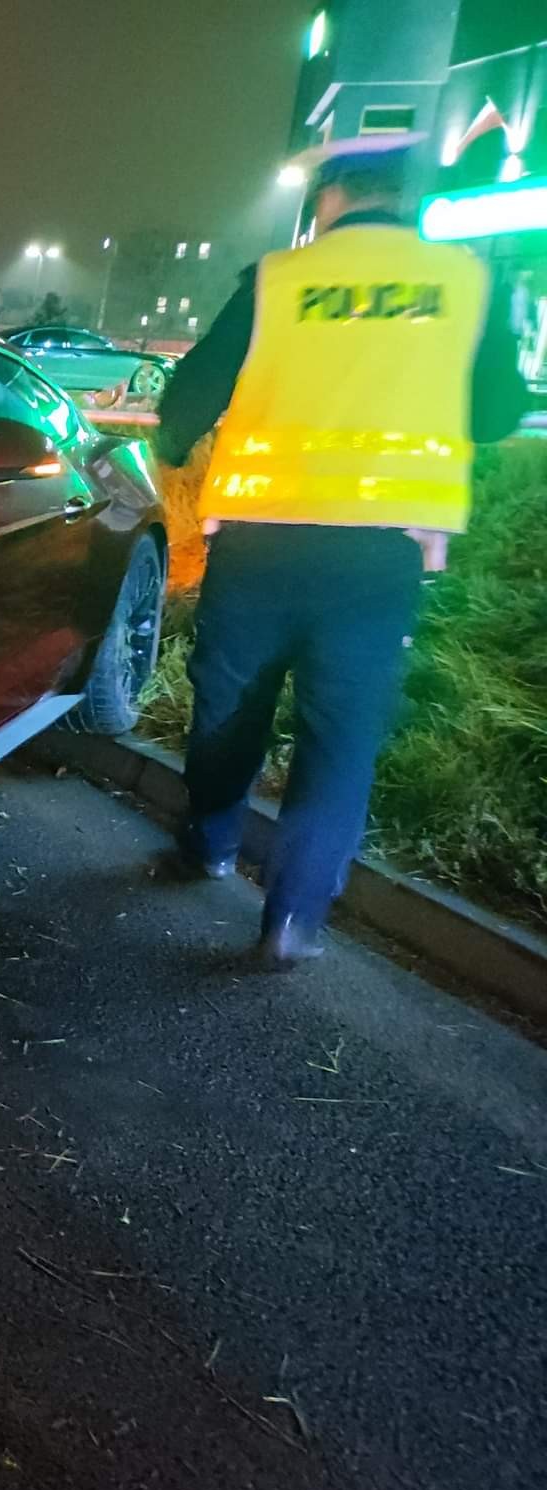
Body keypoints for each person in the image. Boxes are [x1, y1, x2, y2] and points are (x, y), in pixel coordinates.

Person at [153, 135, 529, 968]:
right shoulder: (467, 282)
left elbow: (187, 400)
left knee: (227, 708)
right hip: (381, 558)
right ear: (408, 196)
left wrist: (173, 449)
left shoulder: (278, 281)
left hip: (262, 542)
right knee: (342, 735)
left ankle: (209, 845)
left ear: (330, 197)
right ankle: (291, 918)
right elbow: (502, 408)